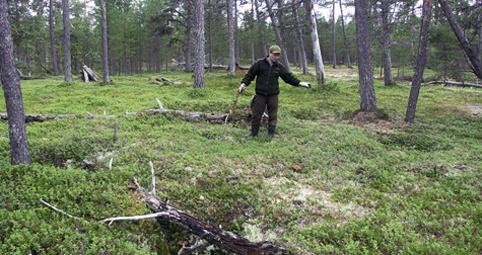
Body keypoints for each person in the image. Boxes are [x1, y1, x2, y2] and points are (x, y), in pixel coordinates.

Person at [238, 45, 311, 139]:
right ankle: (253, 134)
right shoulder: (259, 64)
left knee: (273, 115)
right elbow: (250, 75)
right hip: (260, 95)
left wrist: (300, 83)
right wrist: (243, 84)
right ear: (270, 53)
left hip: (273, 95)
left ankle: (270, 134)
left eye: (278, 55)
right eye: (275, 54)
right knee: (256, 115)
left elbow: (288, 78)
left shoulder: (279, 67)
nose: (276, 57)